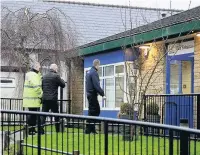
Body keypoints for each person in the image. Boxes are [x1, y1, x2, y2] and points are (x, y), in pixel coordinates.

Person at [41, 64, 65, 133]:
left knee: (43, 115)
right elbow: (63, 85)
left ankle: (41, 130)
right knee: (56, 114)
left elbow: (42, 87)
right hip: (53, 99)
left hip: (45, 98)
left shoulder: (44, 76)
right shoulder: (56, 76)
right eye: (57, 68)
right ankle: (57, 130)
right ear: (55, 69)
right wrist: (62, 79)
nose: (57, 69)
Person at [85, 59, 106, 134]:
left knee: (91, 112)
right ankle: (88, 129)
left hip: (89, 94)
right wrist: (102, 94)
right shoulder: (94, 73)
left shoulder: (88, 72)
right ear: (97, 65)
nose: (99, 67)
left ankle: (91, 129)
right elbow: (96, 85)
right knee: (96, 111)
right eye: (99, 65)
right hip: (92, 95)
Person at [23, 62, 43, 135]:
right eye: (39, 67)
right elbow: (36, 86)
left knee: (32, 115)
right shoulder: (33, 75)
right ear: (36, 67)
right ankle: (31, 130)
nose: (40, 68)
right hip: (33, 99)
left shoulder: (29, 74)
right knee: (33, 116)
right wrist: (41, 95)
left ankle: (32, 129)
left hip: (30, 99)